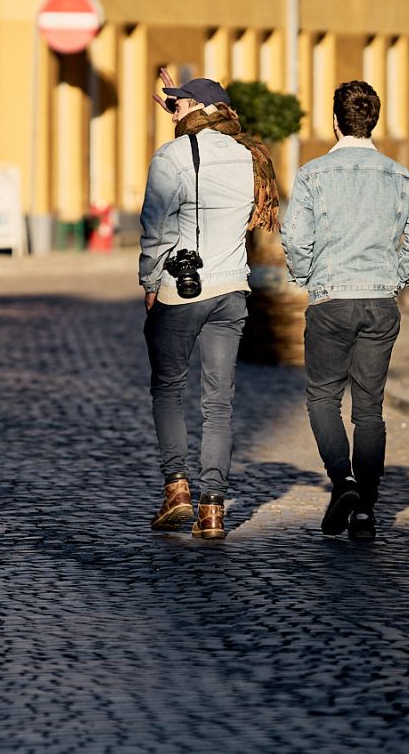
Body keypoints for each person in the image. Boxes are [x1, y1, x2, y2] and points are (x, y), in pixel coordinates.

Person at [281, 80, 409, 542]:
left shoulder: (313, 175)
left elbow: (294, 239)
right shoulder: (401, 177)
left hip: (331, 300)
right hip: (380, 302)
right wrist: (394, 275)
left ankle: (342, 480)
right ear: (373, 121)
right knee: (369, 410)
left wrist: (310, 277)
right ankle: (365, 512)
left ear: (334, 122)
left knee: (323, 399)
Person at [137, 69, 282, 541]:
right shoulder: (250, 157)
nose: (171, 107)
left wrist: (149, 281)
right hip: (232, 291)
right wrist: (184, 106)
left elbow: (156, 228)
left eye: (178, 103)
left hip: (182, 291)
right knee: (219, 402)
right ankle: (214, 509)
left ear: (197, 110)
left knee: (169, 389)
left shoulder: (172, 156)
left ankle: (177, 488)